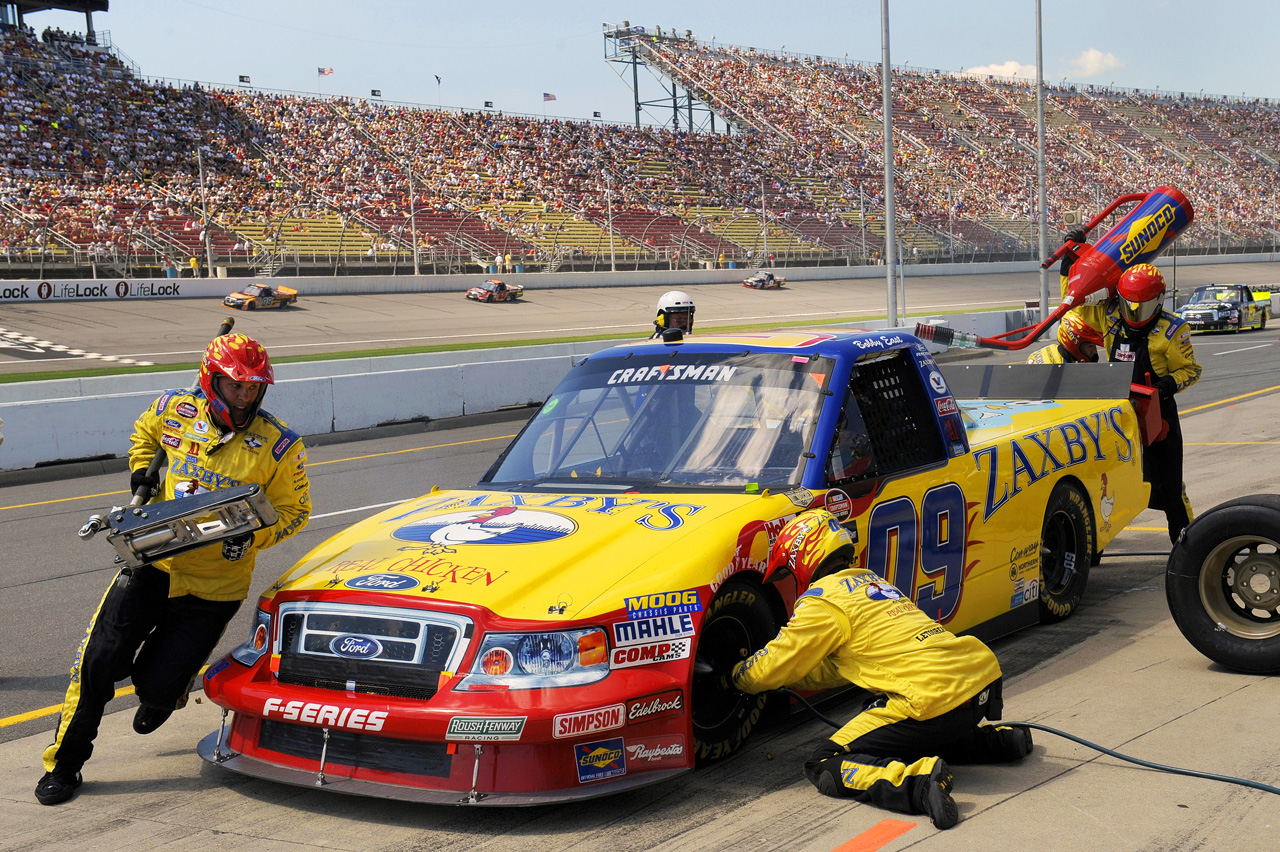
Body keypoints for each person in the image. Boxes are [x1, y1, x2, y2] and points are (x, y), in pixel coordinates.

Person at [36, 333, 311, 806]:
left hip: (216, 586)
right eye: (235, 386)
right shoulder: (171, 406)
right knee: (97, 666)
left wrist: (253, 535)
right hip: (151, 561)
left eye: (254, 388)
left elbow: (296, 510)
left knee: (155, 683)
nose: (245, 397)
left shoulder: (280, 445)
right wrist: (143, 472)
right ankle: (65, 764)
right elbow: (144, 436)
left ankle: (167, 693)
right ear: (211, 381)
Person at [732, 511, 1033, 830]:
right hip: (977, 680)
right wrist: (792, 679)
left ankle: (919, 785)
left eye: (790, 571)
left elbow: (773, 663)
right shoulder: (871, 582)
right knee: (881, 715)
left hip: (933, 697)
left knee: (823, 763)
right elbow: (839, 669)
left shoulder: (822, 601)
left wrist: (738, 675)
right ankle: (1001, 742)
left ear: (803, 558)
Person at [1059, 231, 1201, 543]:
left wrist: (1168, 385)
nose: (1133, 314)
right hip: (1118, 415)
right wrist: (1069, 266)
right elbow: (1074, 302)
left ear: (1160, 302)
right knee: (1105, 484)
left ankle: (1186, 545)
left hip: (1158, 418)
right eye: (1129, 305)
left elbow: (1192, 371)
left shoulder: (1174, 330)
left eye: (1143, 308)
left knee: (1170, 486)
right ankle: (1092, 548)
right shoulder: (1110, 315)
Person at [1026, 312, 1105, 364]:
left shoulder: (1047, 348)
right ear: (1074, 342)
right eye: (1090, 346)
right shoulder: (1062, 371)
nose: (1094, 351)